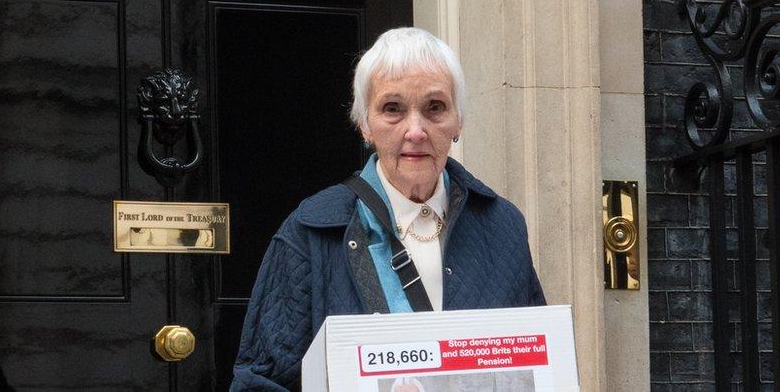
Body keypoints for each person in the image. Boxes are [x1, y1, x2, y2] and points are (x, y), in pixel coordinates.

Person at [231, 27, 545, 390]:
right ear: (365, 124)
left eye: (435, 108)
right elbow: (259, 381)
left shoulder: (501, 226)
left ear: (458, 121)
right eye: (392, 109)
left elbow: (536, 365)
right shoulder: (311, 232)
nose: (416, 130)